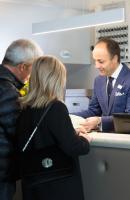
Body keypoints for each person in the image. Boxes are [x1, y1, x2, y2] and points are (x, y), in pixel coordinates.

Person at [15, 56, 91, 200]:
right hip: (57, 185)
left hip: (33, 184)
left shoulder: (24, 107)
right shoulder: (56, 107)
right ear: (56, 79)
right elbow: (73, 147)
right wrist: (84, 139)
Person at [0, 39, 43, 200]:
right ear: (23, 66)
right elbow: (20, 133)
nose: (32, 75)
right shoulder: (7, 91)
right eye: (33, 69)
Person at [76, 38, 130, 132]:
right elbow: (93, 111)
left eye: (101, 62)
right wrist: (67, 116)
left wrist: (99, 121)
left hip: (127, 139)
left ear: (114, 58)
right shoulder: (99, 81)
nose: (97, 66)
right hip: (105, 138)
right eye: (95, 61)